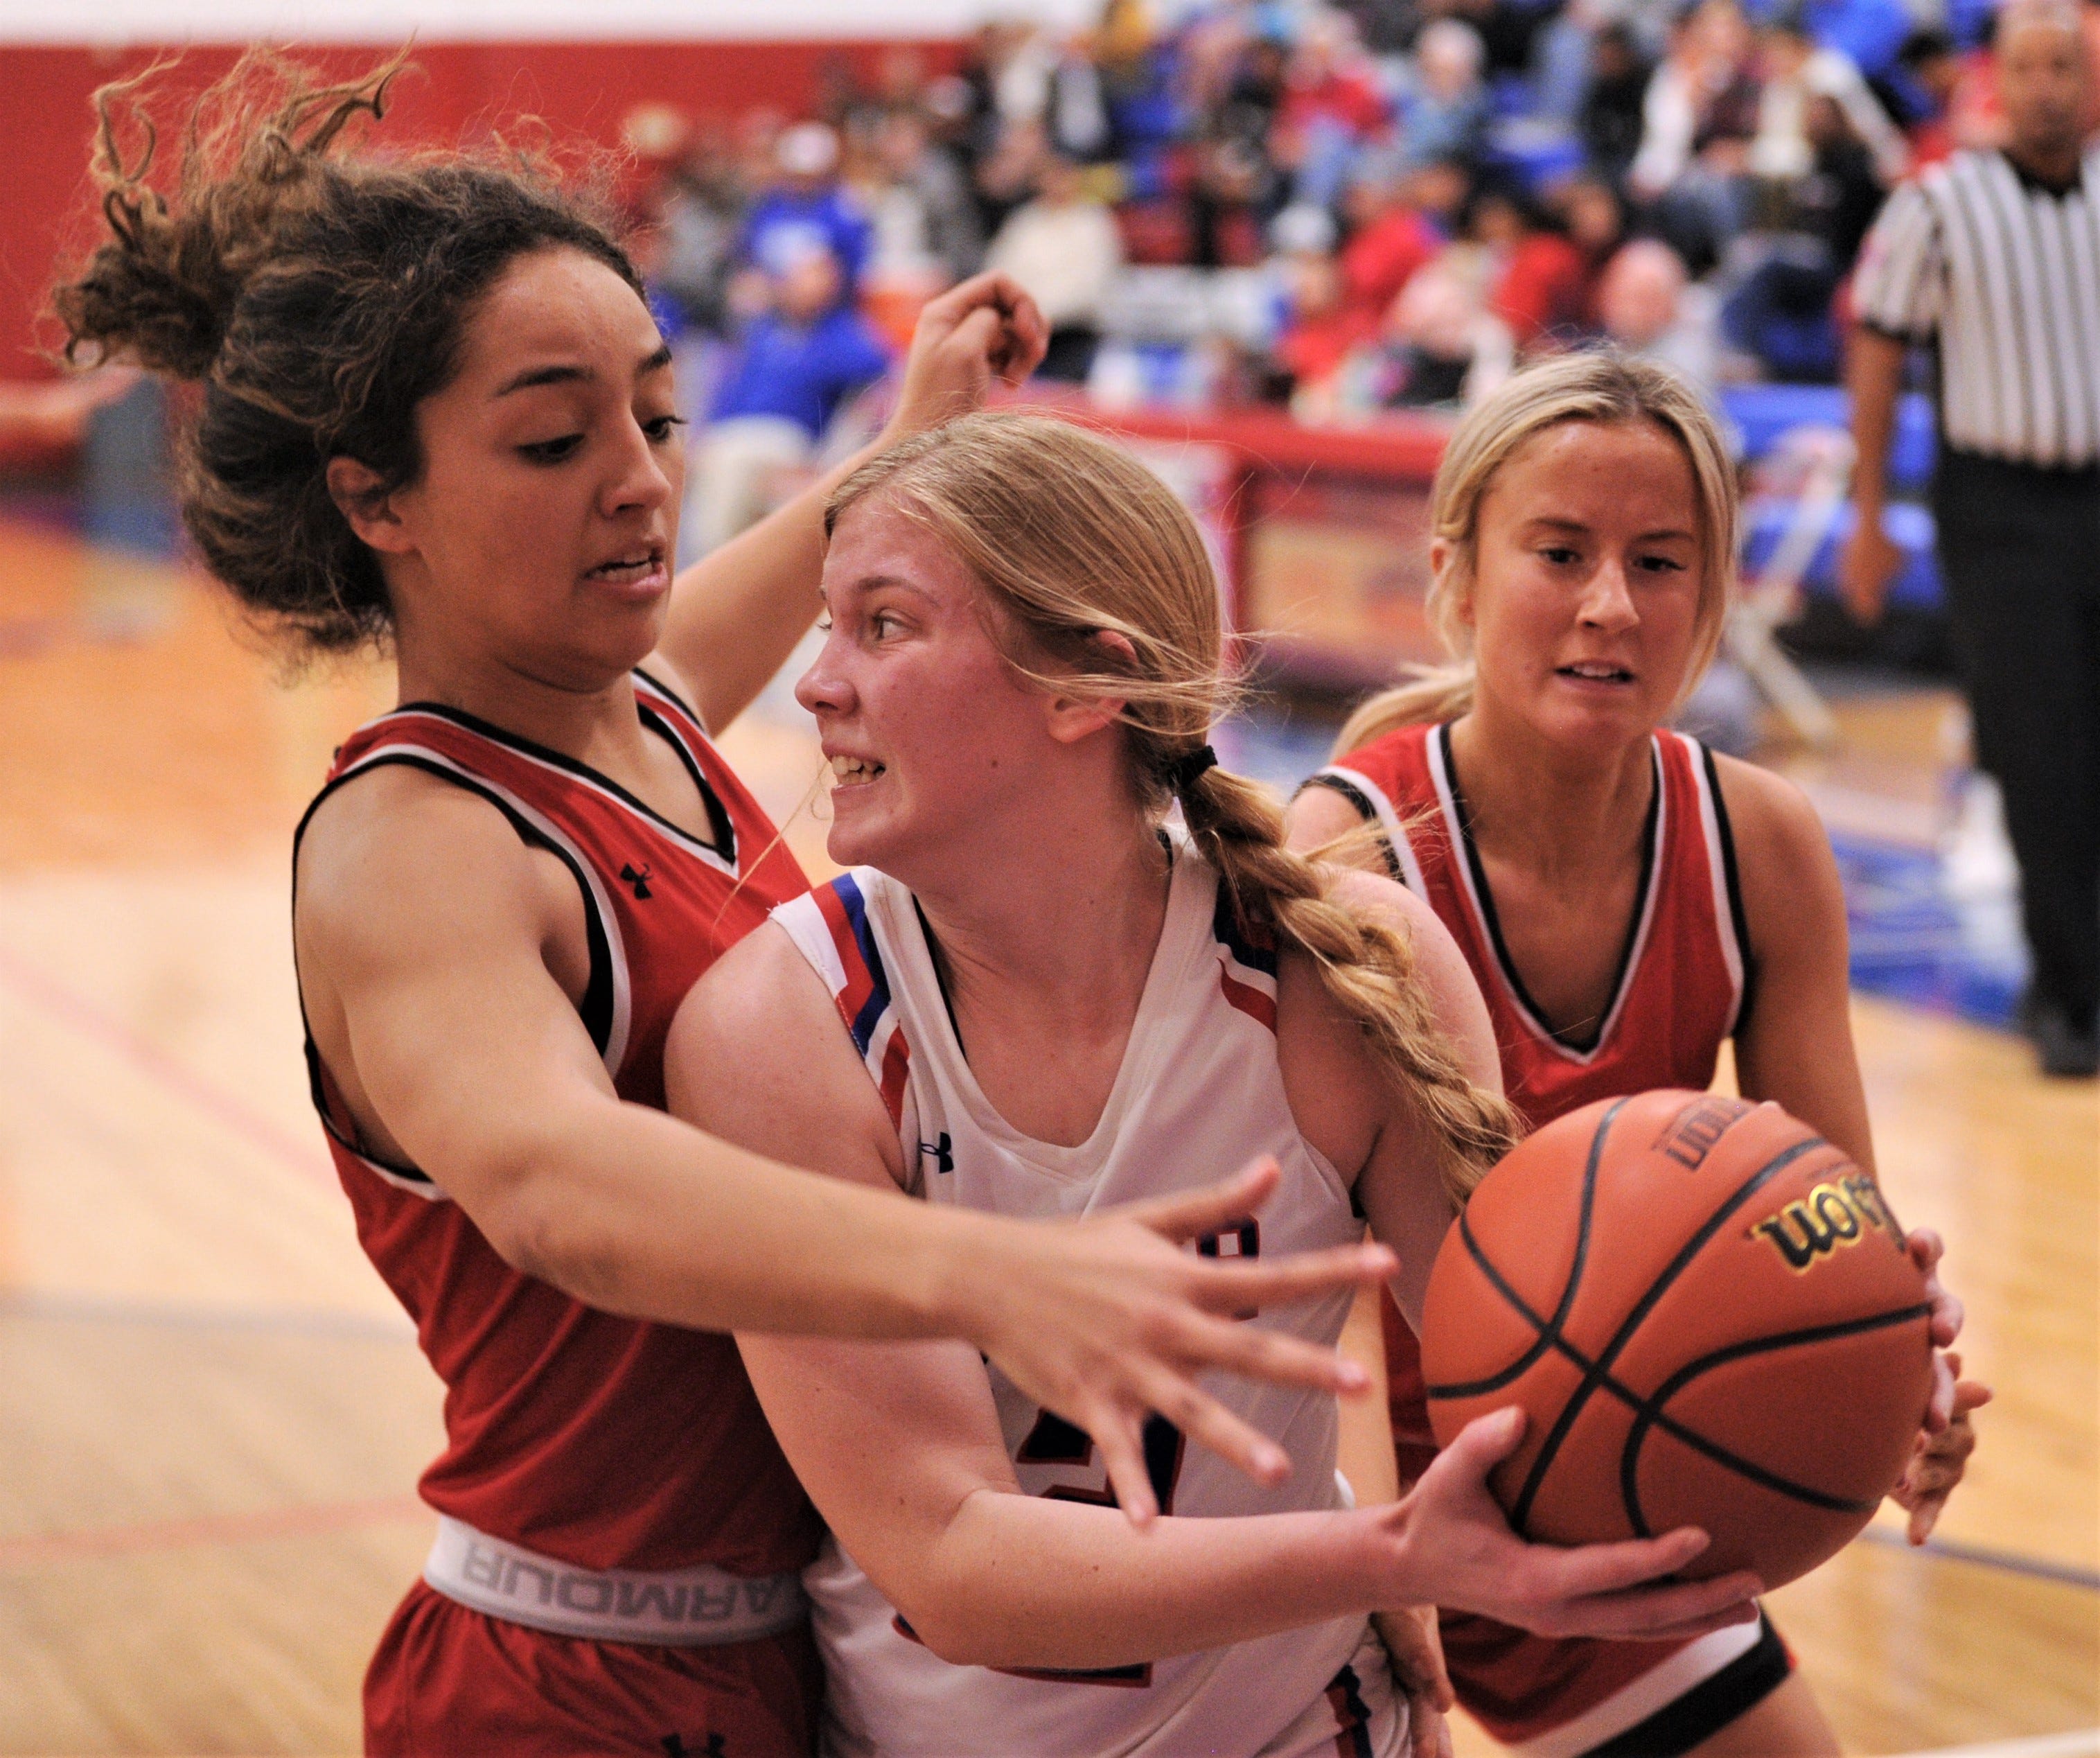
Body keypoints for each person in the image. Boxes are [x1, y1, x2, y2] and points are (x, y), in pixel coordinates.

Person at [51, 54, 1412, 1755]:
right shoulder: (413, 840)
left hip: (794, 1645)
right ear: (373, 498)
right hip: (569, 1676)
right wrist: (986, 1276)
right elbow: (561, 1188)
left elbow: (791, 565)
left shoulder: (641, 709)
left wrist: (925, 426)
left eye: (656, 413)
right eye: (554, 438)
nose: (636, 478)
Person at [668, 410, 1768, 1758]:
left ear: (1085, 687)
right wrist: (1385, 1557)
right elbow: (949, 1564)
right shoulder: (781, 1024)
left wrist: (1846, 1350)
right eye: (827, 626)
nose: (817, 683)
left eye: (883, 626)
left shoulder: (1339, 977)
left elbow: (1559, 1398)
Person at [1288, 351, 1984, 1757]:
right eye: (1560, 552)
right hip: (1340, 1485)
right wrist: (1375, 1558)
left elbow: (1821, 1218)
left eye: (1658, 563)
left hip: (1624, 1484)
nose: (1610, 603)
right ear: (1459, 575)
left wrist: (1886, 1377)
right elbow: (1310, 1291)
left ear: (1709, 604)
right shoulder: (1346, 850)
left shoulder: (1757, 844)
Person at [1842, 0, 2099, 1079]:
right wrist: (1866, 516)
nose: (2051, 86)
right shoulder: (1938, 203)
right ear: (1999, 77)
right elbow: (1878, 350)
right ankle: (2068, 991)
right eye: (2032, 67)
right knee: (2042, 751)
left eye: (2069, 67)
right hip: (1999, 508)